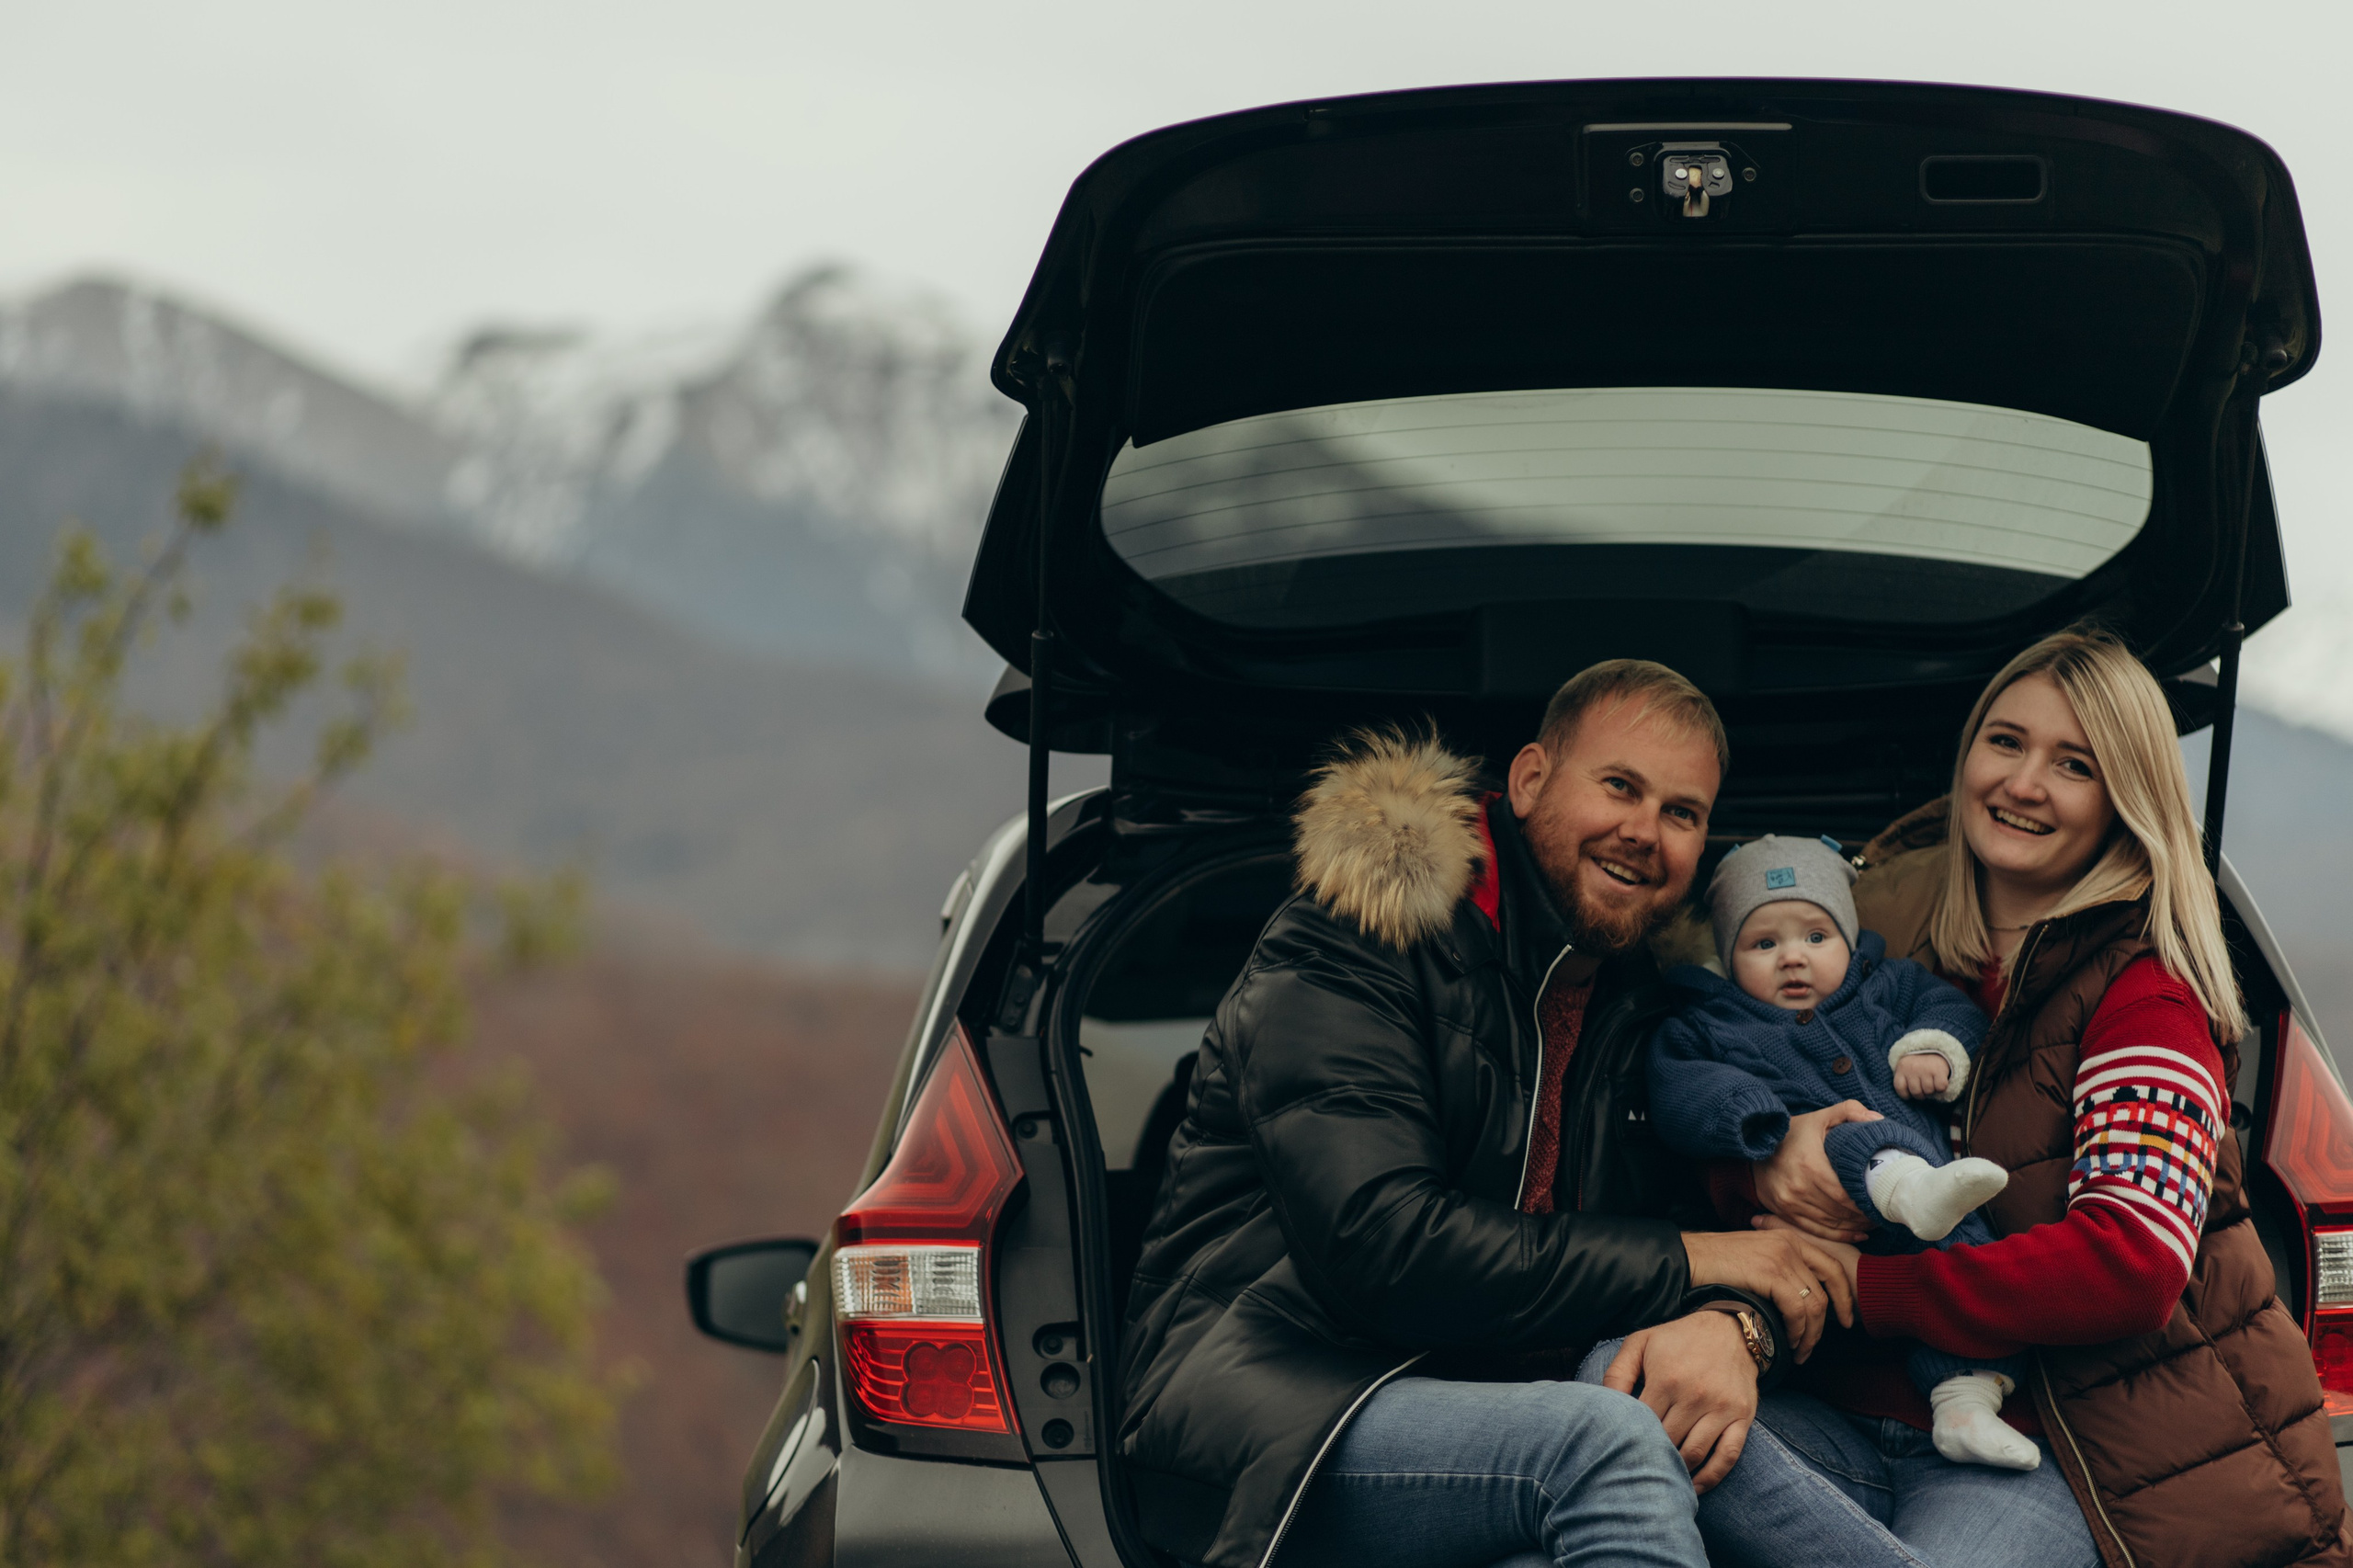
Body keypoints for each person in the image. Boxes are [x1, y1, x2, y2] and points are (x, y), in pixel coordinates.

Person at [1116, 660, 1855, 1568]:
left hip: (1502, 1415)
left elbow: (1757, 1247)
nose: (1643, 832)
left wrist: (1733, 1322)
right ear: (1531, 779)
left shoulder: (1648, 1005)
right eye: (1619, 785)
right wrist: (1697, 1258)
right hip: (1282, 1405)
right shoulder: (1353, 941)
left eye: (1681, 812)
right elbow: (1384, 1245)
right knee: (1606, 1446)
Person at [1688, 628, 2347, 1568]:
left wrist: (1863, 1289)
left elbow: (2130, 1262)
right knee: (1623, 1410)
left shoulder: (2146, 994)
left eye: (2072, 762)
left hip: (2065, 1449)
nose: (2022, 781)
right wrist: (1771, 1159)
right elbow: (1747, 1089)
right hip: (1842, 1409)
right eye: (2004, 741)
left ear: (2123, 797)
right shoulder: (1892, 961)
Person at [1647, 834, 2034, 1471]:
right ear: (1726, 954)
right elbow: (1681, 1087)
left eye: (1815, 937)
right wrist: (1759, 1116)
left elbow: (1954, 1011)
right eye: (1763, 943)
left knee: (1977, 1262)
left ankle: (1964, 1405)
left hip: (1939, 1209)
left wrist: (1932, 1051)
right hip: (1829, 1209)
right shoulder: (1709, 1021)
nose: (1792, 959)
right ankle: (1907, 1186)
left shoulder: (1890, 985)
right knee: (1848, 1132)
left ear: (1850, 940)